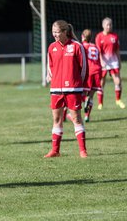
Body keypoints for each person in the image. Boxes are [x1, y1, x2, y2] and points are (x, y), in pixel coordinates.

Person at [45, 20, 88, 158]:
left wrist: (80, 85)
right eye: (53, 32)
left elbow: (84, 69)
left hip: (73, 89)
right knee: (56, 119)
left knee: (76, 118)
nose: (55, 35)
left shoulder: (77, 46)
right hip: (56, 89)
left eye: (57, 32)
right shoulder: (51, 47)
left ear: (65, 32)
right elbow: (50, 67)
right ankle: (55, 151)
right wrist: (51, 78)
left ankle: (82, 150)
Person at [95, 17, 125, 110]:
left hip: (113, 62)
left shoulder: (114, 36)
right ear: (103, 25)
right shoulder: (99, 36)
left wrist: (119, 62)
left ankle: (118, 100)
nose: (109, 26)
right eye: (107, 25)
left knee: (118, 81)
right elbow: (98, 51)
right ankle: (100, 103)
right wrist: (101, 61)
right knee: (101, 82)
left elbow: (117, 50)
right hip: (103, 62)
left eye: (110, 25)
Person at [81, 29, 102, 122]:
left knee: (83, 94)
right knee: (91, 95)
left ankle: (85, 100)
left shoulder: (82, 46)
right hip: (98, 70)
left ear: (82, 36)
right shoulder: (95, 46)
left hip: (89, 71)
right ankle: (87, 116)